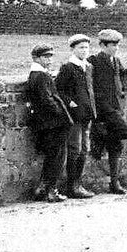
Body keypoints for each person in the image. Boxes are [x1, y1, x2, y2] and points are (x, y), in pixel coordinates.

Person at [23, 44, 73, 202]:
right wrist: (61, 113)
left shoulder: (35, 75)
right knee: (56, 158)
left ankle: (42, 189)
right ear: (36, 58)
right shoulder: (41, 76)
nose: (49, 60)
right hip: (52, 124)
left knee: (52, 157)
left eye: (51, 57)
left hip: (45, 123)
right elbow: (47, 100)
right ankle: (51, 190)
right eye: (46, 57)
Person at [89, 29, 127, 194]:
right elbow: (91, 88)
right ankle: (100, 137)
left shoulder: (116, 61)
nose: (115, 48)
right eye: (112, 45)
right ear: (102, 45)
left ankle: (114, 183)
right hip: (104, 110)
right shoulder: (94, 61)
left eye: (117, 45)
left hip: (115, 109)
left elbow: (123, 78)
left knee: (116, 145)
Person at [56, 34, 97, 198]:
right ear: (73, 49)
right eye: (81, 47)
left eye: (86, 47)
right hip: (74, 115)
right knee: (75, 148)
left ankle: (78, 183)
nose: (84, 51)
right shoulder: (68, 67)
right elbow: (59, 89)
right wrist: (70, 102)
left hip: (87, 113)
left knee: (84, 149)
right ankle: (72, 186)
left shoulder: (88, 67)